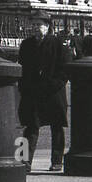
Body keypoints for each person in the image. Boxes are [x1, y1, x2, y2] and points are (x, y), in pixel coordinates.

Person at [18, 21, 72, 172]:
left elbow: (65, 68)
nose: (36, 28)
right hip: (33, 92)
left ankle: (57, 161)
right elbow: (21, 67)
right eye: (33, 24)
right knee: (30, 126)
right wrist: (23, 87)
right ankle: (23, 161)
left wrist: (55, 84)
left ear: (47, 27)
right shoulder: (26, 44)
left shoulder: (58, 44)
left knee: (57, 127)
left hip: (53, 92)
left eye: (39, 25)